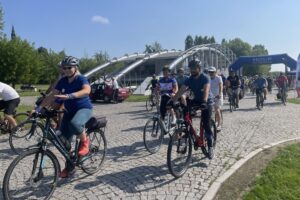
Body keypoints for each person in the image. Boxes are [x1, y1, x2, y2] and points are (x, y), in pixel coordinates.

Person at [50, 56, 93, 178]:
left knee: (75, 124)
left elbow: (86, 90)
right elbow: (52, 95)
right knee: (63, 143)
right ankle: (70, 167)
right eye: (65, 68)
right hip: (69, 111)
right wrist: (38, 109)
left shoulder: (81, 78)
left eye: (70, 67)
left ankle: (85, 143)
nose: (67, 70)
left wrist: (70, 96)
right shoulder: (63, 80)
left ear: (75, 68)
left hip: (84, 109)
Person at [170, 60, 215, 159]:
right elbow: (181, 90)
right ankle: (190, 134)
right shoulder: (189, 79)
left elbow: (206, 89)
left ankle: (211, 146)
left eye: (195, 68)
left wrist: (204, 101)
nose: (193, 70)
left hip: (206, 101)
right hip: (196, 100)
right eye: (191, 68)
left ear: (199, 68)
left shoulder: (205, 77)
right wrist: (173, 100)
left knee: (206, 123)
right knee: (186, 115)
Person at [208, 66, 223, 131]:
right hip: (210, 96)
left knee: (217, 110)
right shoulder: (208, 78)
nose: (211, 73)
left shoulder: (218, 78)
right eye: (210, 72)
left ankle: (219, 125)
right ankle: (214, 122)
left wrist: (219, 94)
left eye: (212, 72)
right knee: (210, 111)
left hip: (217, 96)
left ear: (215, 72)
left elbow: (220, 86)